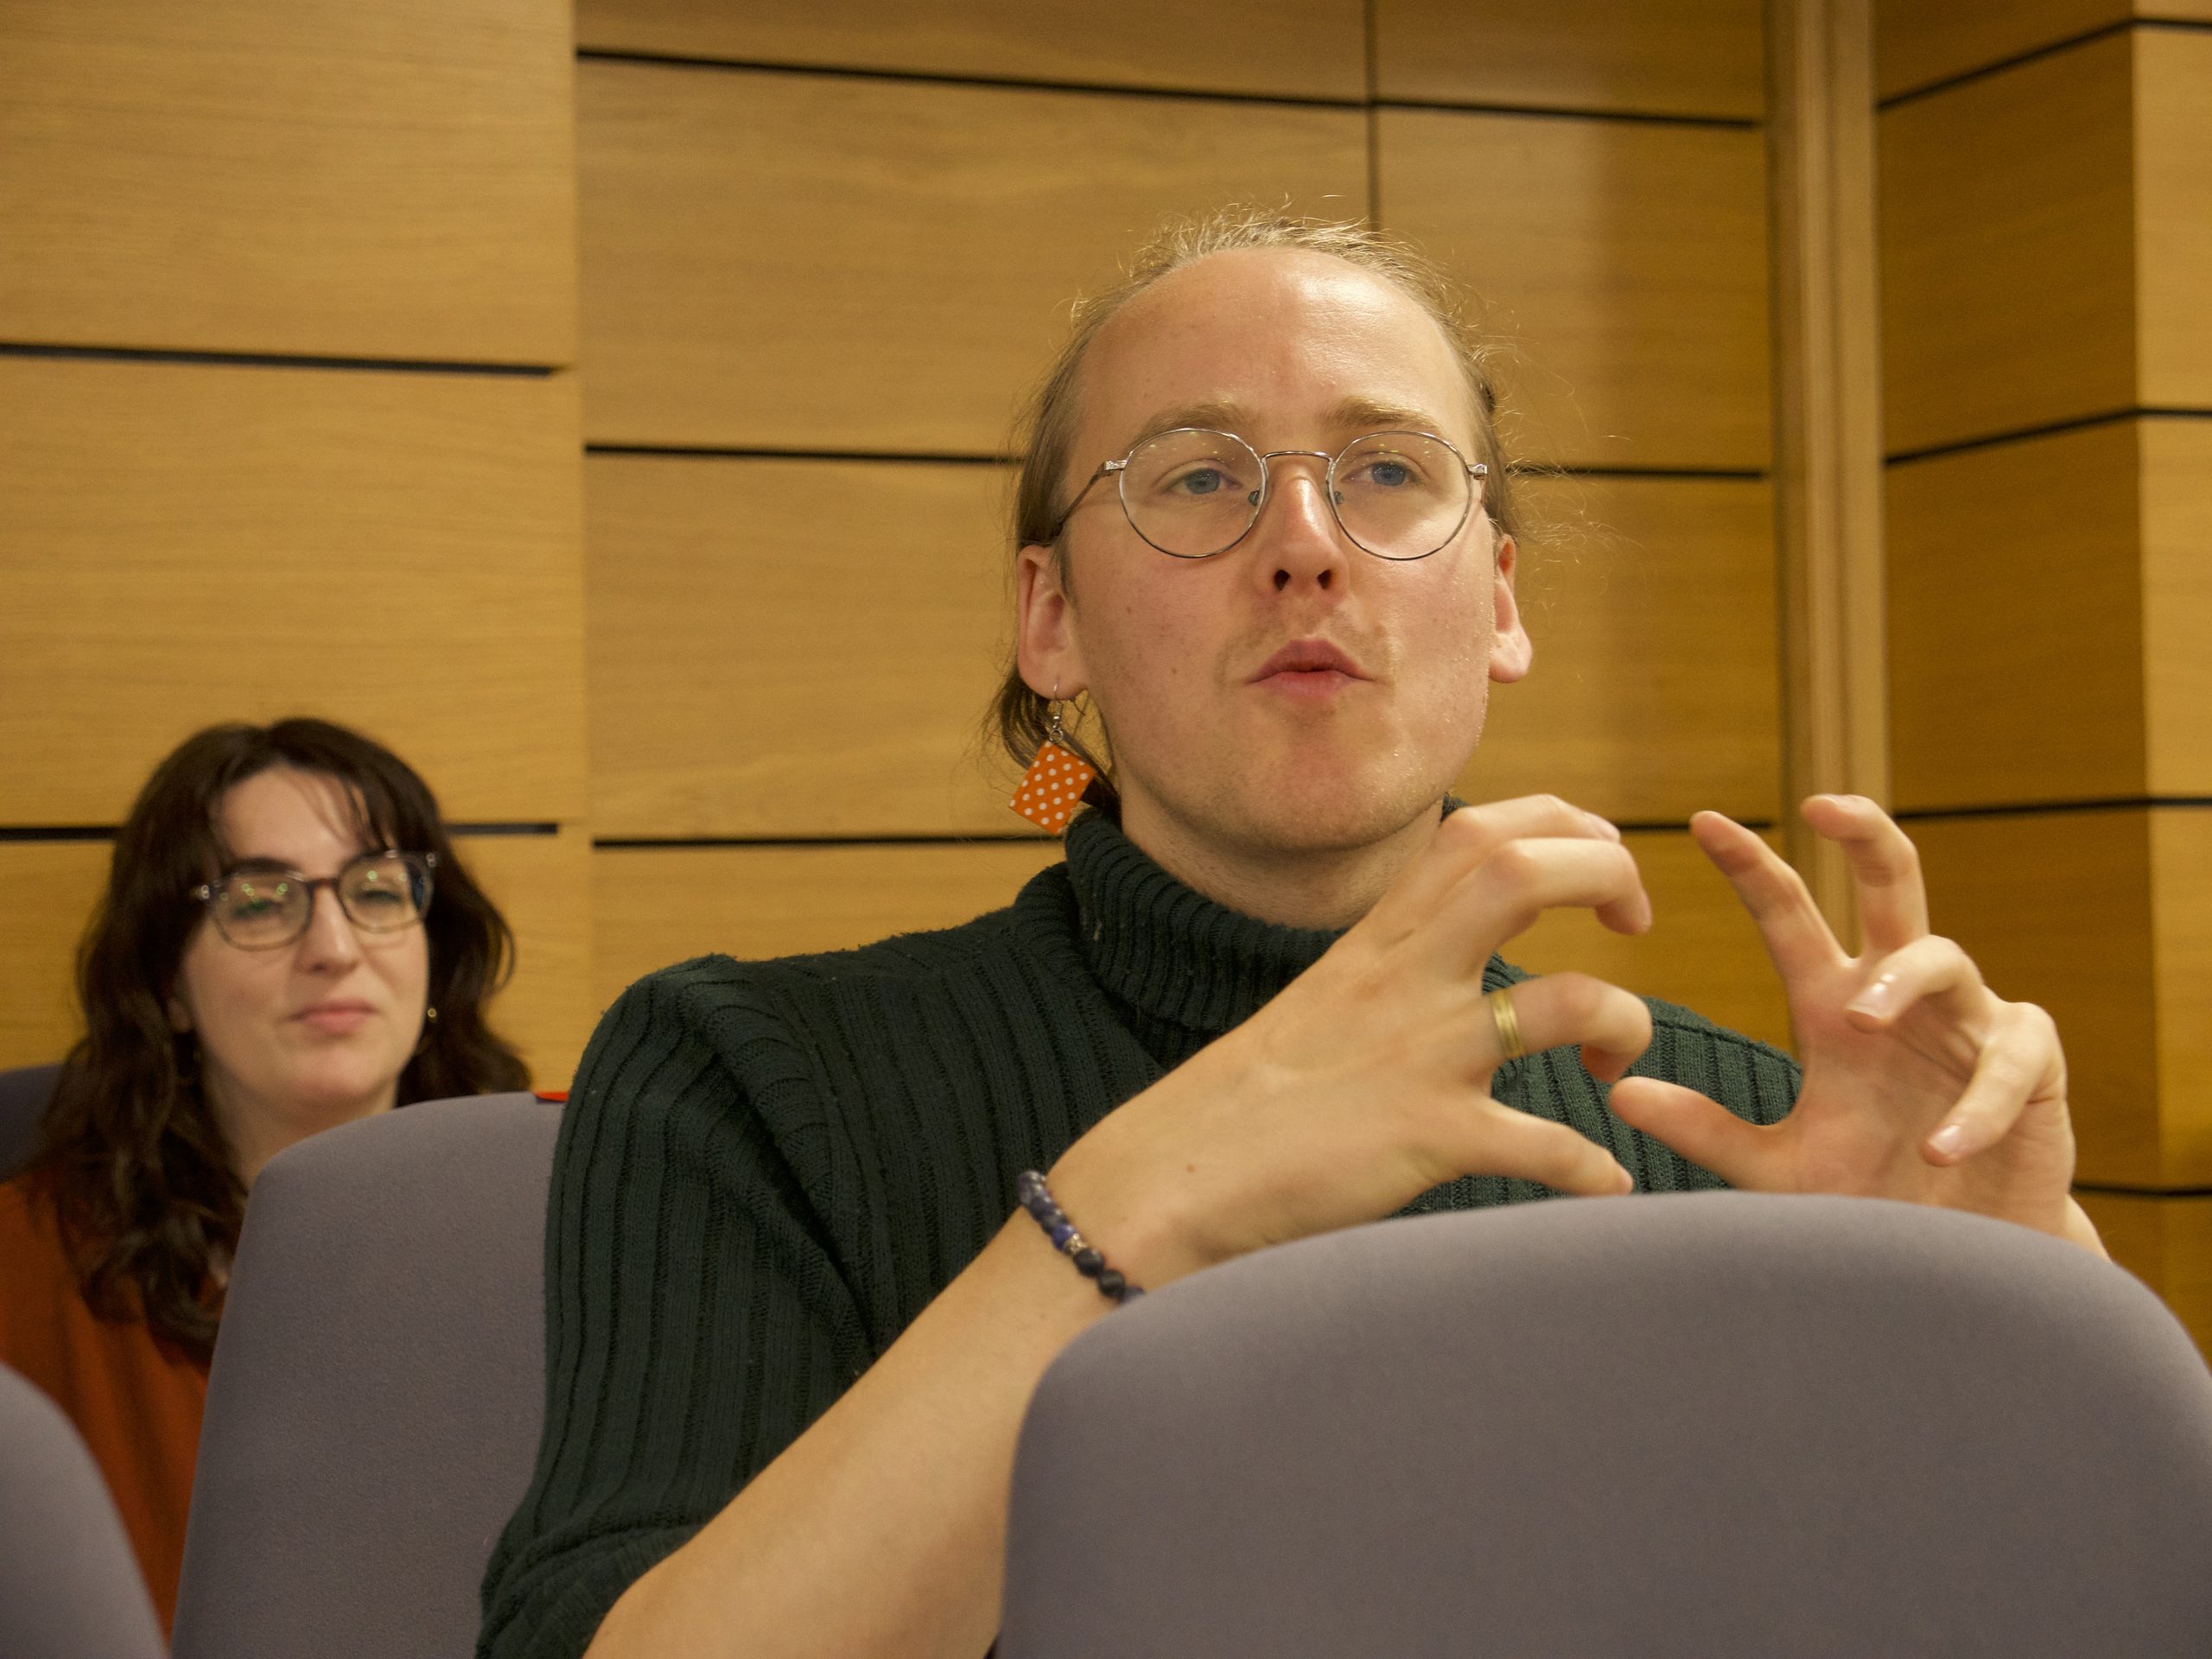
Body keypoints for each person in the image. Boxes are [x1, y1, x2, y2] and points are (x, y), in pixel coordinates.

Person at [479, 210, 2095, 1659]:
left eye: (1388, 471)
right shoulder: (751, 1081)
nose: (1307, 543)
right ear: (1052, 619)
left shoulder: (1739, 1138)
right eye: (1198, 477)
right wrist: (1137, 1204)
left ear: (1500, 600)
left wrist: (2021, 1341)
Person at [0, 717, 530, 1633]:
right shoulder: (25, 1272)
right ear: (169, 986)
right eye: (258, 903)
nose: (333, 948)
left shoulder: (556, 1248)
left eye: (376, 890)